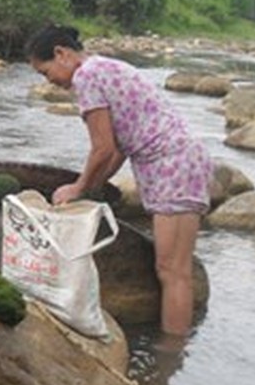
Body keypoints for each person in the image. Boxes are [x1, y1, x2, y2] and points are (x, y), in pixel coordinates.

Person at [25, 23, 212, 339]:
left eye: (45, 72)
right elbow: (118, 150)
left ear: (61, 53)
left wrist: (79, 187)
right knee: (176, 271)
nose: (51, 81)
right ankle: (175, 352)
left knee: (172, 272)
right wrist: (92, 187)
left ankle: (170, 357)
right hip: (181, 160)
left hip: (171, 165)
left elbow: (103, 148)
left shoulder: (86, 77)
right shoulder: (104, 67)